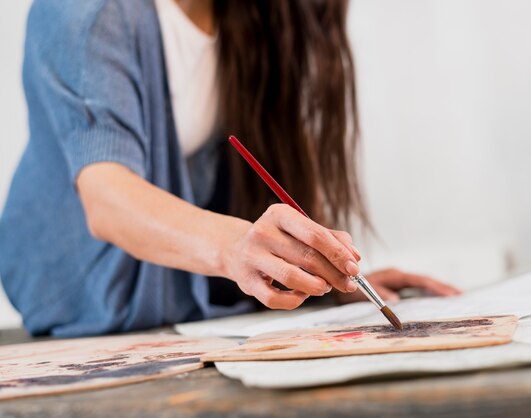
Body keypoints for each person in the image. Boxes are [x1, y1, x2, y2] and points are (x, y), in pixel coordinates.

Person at [0, 0, 460, 337]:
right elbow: (107, 199)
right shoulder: (85, 13)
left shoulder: (255, 20)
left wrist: (323, 278)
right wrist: (238, 247)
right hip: (79, 293)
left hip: (180, 306)